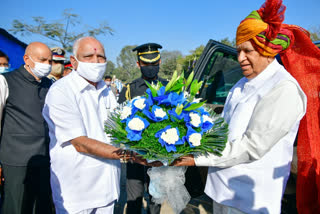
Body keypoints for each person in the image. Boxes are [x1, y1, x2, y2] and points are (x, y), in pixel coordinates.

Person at [172, 0, 310, 213]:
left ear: (267, 49)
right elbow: (224, 129)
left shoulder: (283, 88)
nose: (240, 58)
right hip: (221, 189)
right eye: (238, 51)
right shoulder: (240, 84)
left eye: (247, 51)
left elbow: (252, 146)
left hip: (251, 199)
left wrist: (195, 157)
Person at [42, 36, 149, 214]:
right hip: (77, 191)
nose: (96, 62)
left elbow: (122, 128)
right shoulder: (61, 91)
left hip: (107, 187)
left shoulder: (106, 92)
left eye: (100, 57)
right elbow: (80, 143)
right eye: (88, 57)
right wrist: (130, 156)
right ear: (74, 61)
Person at [0, 42, 53, 214]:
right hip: (17, 161)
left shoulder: (50, 85)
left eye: (50, 61)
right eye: (42, 60)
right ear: (26, 59)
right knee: (17, 206)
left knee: (43, 206)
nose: (47, 65)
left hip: (46, 159)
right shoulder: (6, 81)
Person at [118, 43, 166, 214]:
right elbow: (120, 120)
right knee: (133, 199)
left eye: (155, 64)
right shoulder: (129, 89)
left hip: (160, 155)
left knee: (156, 199)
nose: (151, 68)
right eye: (147, 64)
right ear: (139, 64)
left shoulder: (168, 87)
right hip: (135, 154)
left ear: (160, 62)